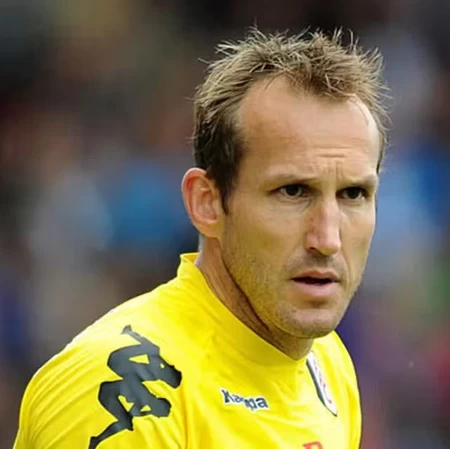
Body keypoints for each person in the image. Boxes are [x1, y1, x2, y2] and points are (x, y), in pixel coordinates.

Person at [14, 28, 387, 449]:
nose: (328, 239)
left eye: (353, 194)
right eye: (292, 191)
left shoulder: (327, 361)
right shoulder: (123, 391)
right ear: (207, 203)